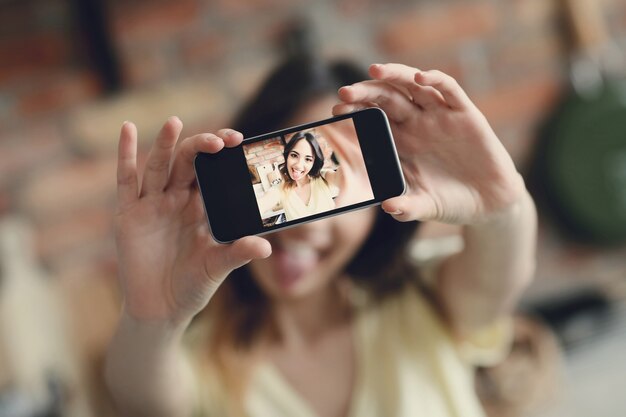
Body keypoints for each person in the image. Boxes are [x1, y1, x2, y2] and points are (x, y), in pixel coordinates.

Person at [105, 57, 539, 417]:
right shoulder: (200, 362)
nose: (307, 225)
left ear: (375, 210)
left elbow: (499, 277)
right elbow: (142, 399)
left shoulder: (422, 299)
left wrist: (505, 206)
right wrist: (153, 318)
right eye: (281, 174)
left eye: (334, 180)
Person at [256, 130, 339, 222]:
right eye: (294, 155)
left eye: (308, 159)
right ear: (287, 156)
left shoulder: (324, 177)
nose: (299, 165)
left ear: (314, 163)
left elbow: (345, 177)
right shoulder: (280, 189)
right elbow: (262, 204)